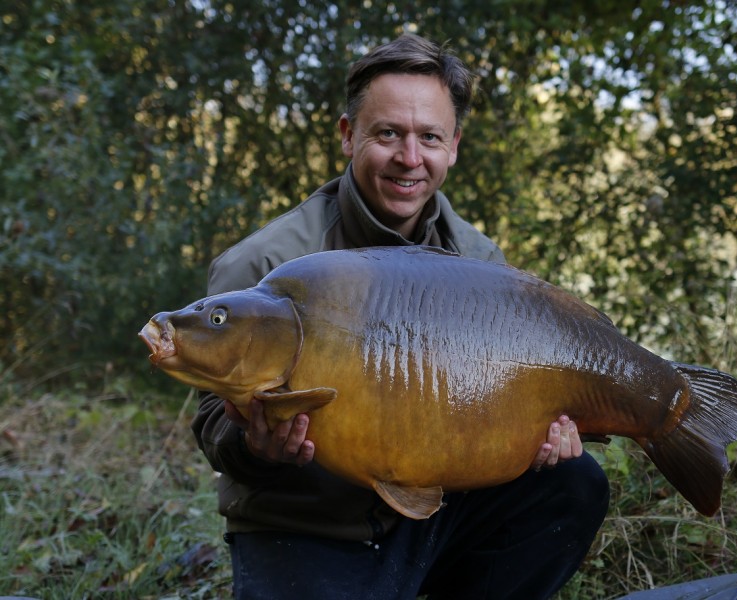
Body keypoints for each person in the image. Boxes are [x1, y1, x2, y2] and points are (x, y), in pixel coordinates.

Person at [191, 33, 610, 600]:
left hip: (438, 512)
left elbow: (507, 393)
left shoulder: (479, 261)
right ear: (348, 135)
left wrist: (539, 437)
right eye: (388, 133)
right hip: (307, 525)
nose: (410, 158)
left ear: (454, 145)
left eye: (429, 137)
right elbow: (213, 428)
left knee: (573, 483)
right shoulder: (263, 263)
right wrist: (255, 445)